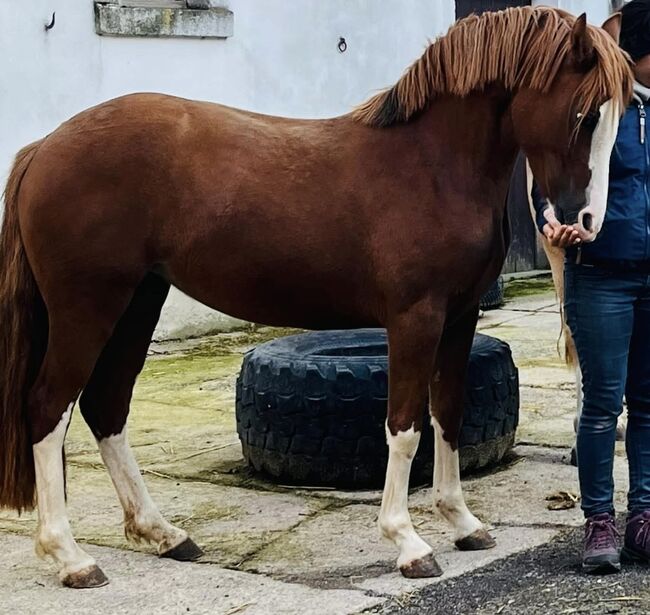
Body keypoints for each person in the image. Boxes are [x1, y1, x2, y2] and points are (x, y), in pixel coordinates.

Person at [532, 0, 650, 574]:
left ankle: (643, 518)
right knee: (602, 406)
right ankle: (599, 521)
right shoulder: (598, 106)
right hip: (601, 275)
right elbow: (548, 179)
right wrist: (548, 217)